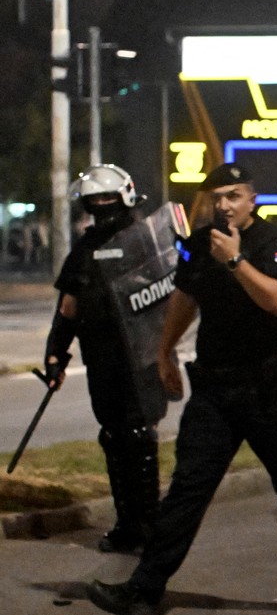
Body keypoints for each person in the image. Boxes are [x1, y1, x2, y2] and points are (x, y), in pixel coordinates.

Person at [86, 163, 277, 615]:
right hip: (216, 389)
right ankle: (143, 592)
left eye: (234, 195)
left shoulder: (273, 243)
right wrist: (164, 351)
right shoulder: (197, 244)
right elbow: (184, 298)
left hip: (271, 389)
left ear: (252, 199)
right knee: (187, 489)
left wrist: (234, 260)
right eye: (217, 196)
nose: (224, 204)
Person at [43, 164, 172, 554]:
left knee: (138, 435)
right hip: (100, 358)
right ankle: (127, 524)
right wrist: (54, 355)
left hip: (143, 357)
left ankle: (149, 526)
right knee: (113, 436)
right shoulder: (84, 249)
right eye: (94, 199)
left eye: (107, 198)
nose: (101, 205)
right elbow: (68, 307)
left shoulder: (146, 240)